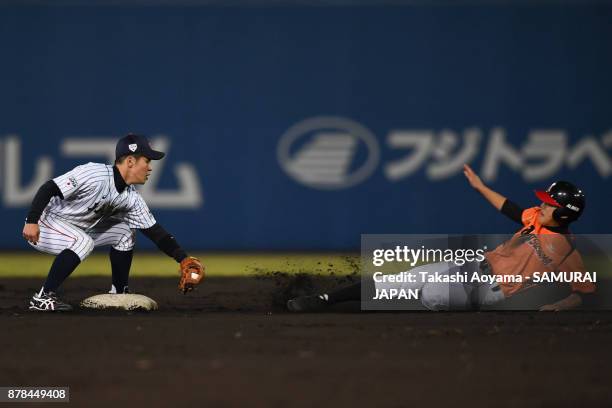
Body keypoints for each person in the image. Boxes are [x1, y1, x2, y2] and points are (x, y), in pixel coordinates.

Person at [287, 164, 595, 312]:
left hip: (490, 290)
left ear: (564, 213)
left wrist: (558, 306)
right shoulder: (534, 219)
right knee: (402, 280)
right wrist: (480, 186)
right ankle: (325, 300)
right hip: (474, 265)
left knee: (430, 294)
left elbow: (583, 293)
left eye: (549, 203)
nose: (541, 205)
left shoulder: (569, 253)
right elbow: (510, 208)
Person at [22, 134, 204, 312]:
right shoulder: (94, 174)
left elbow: (155, 232)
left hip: (77, 228)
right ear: (131, 161)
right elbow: (49, 188)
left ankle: (119, 290)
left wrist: (183, 258)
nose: (150, 168)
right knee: (83, 242)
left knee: (125, 232)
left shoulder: (131, 198)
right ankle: (43, 297)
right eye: (147, 161)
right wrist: (32, 221)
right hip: (44, 224)